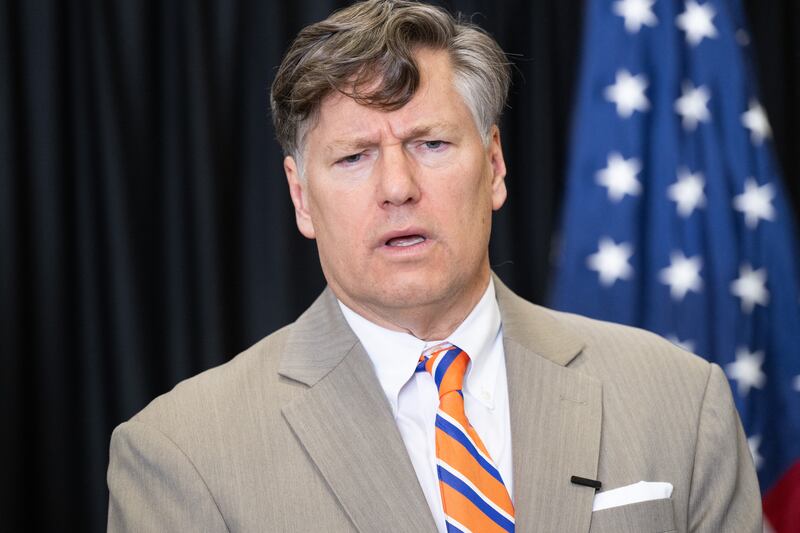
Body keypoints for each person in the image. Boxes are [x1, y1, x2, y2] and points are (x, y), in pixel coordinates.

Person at [106, 1, 762, 531]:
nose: (397, 186)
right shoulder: (182, 453)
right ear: (301, 197)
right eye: (354, 156)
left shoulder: (681, 401)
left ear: (495, 164)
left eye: (431, 142)